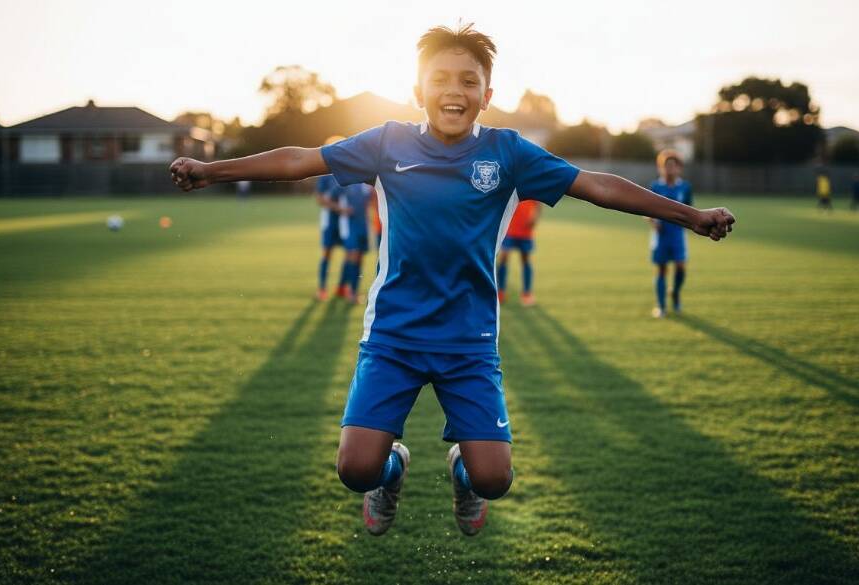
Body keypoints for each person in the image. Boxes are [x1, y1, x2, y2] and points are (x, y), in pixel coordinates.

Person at [170, 23, 735, 538]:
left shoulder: (508, 153)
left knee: (494, 479)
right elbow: (301, 160)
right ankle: (393, 470)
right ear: (418, 89)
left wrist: (690, 216)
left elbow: (597, 185)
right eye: (440, 79)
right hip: (393, 336)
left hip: (468, 342)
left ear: (487, 96)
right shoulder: (387, 143)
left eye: (470, 81)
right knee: (356, 469)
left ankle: (464, 472)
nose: (454, 91)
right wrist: (212, 170)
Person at [648, 150, 692, 318]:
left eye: (673, 166)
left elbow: (690, 210)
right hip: (661, 236)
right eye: (666, 166)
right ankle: (661, 306)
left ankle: (675, 292)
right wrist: (653, 223)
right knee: (661, 270)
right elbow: (646, 210)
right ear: (661, 168)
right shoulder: (655, 187)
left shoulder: (685, 187)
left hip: (678, 235)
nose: (669, 170)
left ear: (679, 168)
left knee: (681, 267)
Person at [315, 138, 349, 300]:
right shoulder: (325, 173)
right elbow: (320, 199)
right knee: (327, 253)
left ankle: (342, 287)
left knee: (349, 253)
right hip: (330, 220)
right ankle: (322, 288)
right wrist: (338, 208)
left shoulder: (350, 170)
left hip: (347, 221)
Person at [497, 199, 540, 306]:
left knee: (525, 260)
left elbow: (539, 203)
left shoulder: (532, 185)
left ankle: (526, 293)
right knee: (503, 258)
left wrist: (535, 217)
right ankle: (500, 291)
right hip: (510, 229)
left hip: (526, 230)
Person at [337, 182, 373, 303]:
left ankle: (343, 288)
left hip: (364, 226)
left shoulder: (368, 184)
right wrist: (341, 209)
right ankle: (352, 293)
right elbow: (325, 198)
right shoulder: (346, 182)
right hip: (350, 225)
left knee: (358, 258)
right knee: (353, 256)